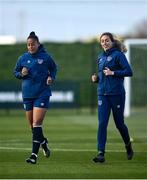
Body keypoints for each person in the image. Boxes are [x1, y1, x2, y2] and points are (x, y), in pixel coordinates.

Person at [14, 31, 57, 164]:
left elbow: (54, 69)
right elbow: (15, 72)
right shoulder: (22, 58)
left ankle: (34, 155)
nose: (31, 46)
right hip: (27, 95)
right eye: (28, 44)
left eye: (33, 44)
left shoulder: (46, 57)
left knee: (37, 123)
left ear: (38, 44)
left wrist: (51, 77)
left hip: (42, 93)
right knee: (33, 128)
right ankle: (43, 142)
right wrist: (21, 74)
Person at [91, 32, 134, 163]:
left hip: (116, 95)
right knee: (102, 123)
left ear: (112, 41)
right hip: (102, 95)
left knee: (119, 124)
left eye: (107, 40)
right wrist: (96, 79)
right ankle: (100, 153)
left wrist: (113, 72)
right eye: (102, 41)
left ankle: (128, 145)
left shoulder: (118, 55)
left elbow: (129, 71)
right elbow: (103, 76)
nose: (104, 43)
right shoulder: (100, 57)